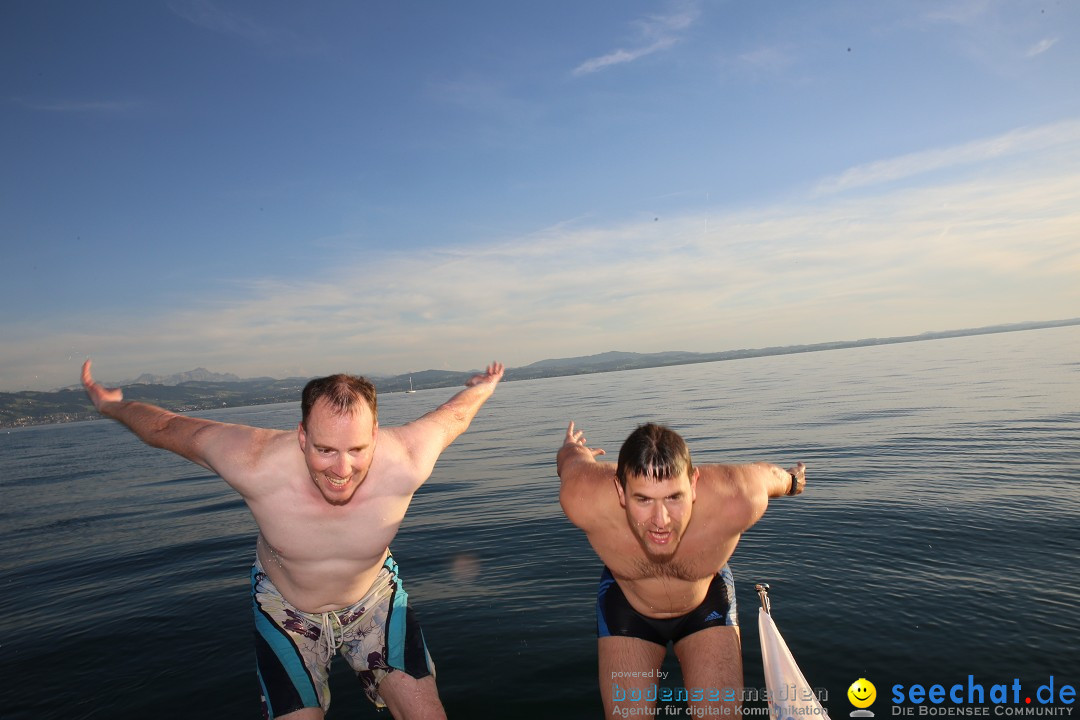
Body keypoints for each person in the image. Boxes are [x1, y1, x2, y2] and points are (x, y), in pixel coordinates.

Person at [81, 359, 504, 720]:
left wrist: (484, 387)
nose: (342, 470)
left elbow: (455, 416)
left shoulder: (408, 458)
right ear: (302, 436)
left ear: (375, 434)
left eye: (357, 449)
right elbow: (167, 427)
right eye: (324, 450)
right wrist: (113, 406)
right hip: (286, 611)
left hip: (374, 599)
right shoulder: (253, 461)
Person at [556, 421, 806, 716]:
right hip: (627, 607)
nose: (661, 520)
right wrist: (573, 447)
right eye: (643, 499)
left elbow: (769, 477)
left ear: (694, 485)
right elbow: (570, 462)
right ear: (620, 492)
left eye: (674, 497)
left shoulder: (734, 497)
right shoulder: (584, 498)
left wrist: (793, 481)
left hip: (706, 604)